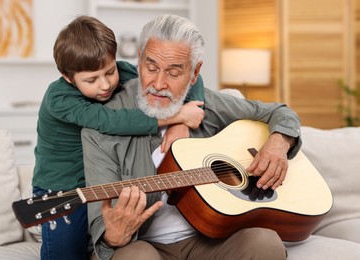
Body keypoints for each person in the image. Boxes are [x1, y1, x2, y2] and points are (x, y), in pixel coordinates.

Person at [82, 14, 302, 260]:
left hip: (209, 238)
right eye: (150, 67)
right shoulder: (101, 125)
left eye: (173, 73)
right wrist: (113, 235)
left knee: (265, 243)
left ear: (194, 73)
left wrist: (279, 143)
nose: (158, 83)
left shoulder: (205, 104)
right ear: (139, 60)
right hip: (144, 245)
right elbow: (100, 221)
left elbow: (280, 112)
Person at [32, 16, 205, 260]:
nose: (105, 85)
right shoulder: (59, 99)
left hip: (100, 178)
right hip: (62, 186)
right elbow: (111, 121)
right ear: (68, 77)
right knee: (66, 251)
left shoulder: (122, 71)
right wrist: (176, 116)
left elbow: (189, 78)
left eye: (109, 71)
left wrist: (182, 124)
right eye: (92, 80)